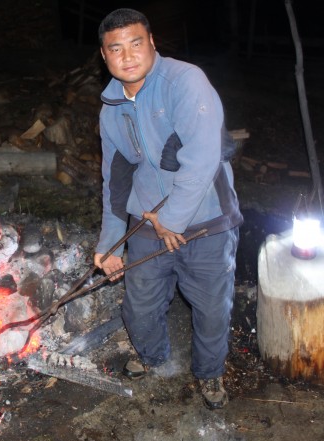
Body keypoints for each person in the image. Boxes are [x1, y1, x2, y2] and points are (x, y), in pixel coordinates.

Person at [93, 8, 242, 409]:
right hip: (146, 220)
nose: (127, 56)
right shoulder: (111, 109)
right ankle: (153, 356)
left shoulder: (184, 81)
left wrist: (172, 220)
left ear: (152, 42)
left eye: (136, 43)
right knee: (139, 306)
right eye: (116, 48)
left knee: (211, 308)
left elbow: (202, 157)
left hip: (207, 221)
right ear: (104, 56)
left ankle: (210, 374)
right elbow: (115, 178)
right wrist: (110, 242)